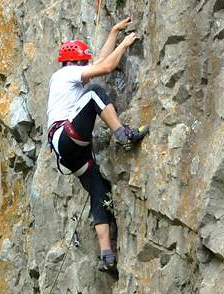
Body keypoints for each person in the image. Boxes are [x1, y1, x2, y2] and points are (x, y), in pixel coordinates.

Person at [46, 17, 149, 271]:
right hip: (66, 136)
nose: (84, 65)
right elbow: (104, 68)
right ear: (72, 62)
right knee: (94, 93)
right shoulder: (65, 73)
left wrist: (114, 31)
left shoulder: (67, 77)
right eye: (81, 62)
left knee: (98, 189)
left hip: (68, 153)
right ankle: (122, 133)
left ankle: (107, 256)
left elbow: (98, 63)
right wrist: (124, 44)